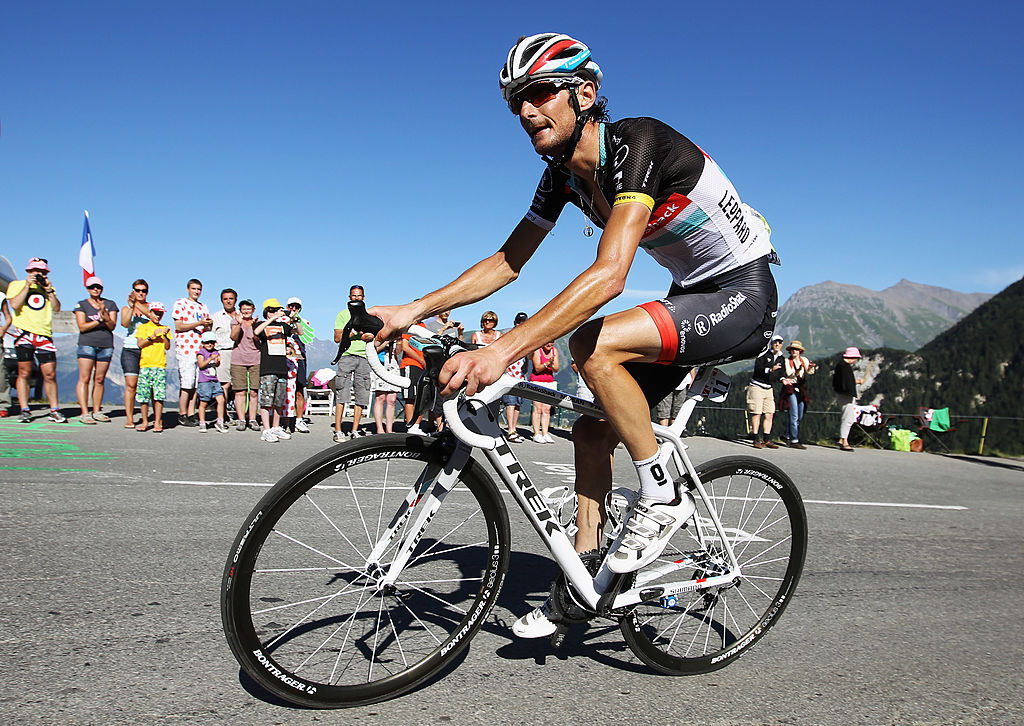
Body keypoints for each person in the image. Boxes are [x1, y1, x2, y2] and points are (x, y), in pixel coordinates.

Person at [368, 33, 778, 638]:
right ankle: (587, 576)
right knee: (589, 431)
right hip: (691, 296)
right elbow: (507, 262)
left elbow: (611, 274)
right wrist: (413, 309)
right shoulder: (561, 175)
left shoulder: (638, 144)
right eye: (517, 101)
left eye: (539, 93)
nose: (526, 111)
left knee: (591, 345)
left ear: (584, 94)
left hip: (741, 293)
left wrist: (502, 350)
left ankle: (661, 494)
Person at [5, 257, 65, 423]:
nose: (39, 274)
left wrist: (49, 290)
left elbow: (57, 308)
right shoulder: (16, 285)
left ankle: (54, 409)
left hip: (44, 334)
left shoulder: (47, 288)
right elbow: (15, 305)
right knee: (24, 372)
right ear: (29, 271)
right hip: (24, 334)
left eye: (43, 271)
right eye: (36, 271)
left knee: (50, 373)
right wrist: (27, 285)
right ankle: (25, 409)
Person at [71, 276, 118, 423]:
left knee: (99, 379)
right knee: (84, 378)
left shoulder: (110, 304)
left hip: (105, 345)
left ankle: (97, 410)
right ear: (87, 289)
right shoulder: (82, 305)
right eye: (92, 287)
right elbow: (82, 326)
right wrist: (99, 320)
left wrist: (105, 315)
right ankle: (84, 412)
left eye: (98, 287)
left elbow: (112, 326)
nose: (95, 289)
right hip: (87, 344)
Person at [333, 286, 373, 442]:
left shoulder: (369, 315)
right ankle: (338, 430)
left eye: (359, 296)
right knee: (341, 392)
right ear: (349, 297)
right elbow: (337, 338)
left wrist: (367, 335)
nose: (356, 298)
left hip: (364, 356)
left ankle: (355, 430)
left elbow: (373, 335)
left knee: (361, 395)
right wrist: (355, 331)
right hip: (347, 355)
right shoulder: (343, 314)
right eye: (354, 296)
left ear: (364, 297)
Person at [172, 279, 212, 427]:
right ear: (188, 289)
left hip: (199, 348)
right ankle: (182, 413)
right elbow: (179, 326)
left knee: (196, 384)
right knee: (186, 383)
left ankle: (191, 413)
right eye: (194, 289)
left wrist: (207, 325)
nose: (196, 292)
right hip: (186, 347)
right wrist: (199, 323)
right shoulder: (180, 303)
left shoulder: (203, 307)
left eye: (198, 289)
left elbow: (206, 328)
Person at [254, 298, 294, 443]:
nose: (274, 312)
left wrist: (294, 318)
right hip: (268, 368)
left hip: (281, 368)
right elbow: (256, 332)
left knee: (278, 400)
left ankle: (276, 427)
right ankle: (266, 429)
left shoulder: (283, 326)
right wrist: (273, 318)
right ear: (266, 312)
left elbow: (299, 332)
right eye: (271, 310)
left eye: (276, 310)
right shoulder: (261, 324)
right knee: (266, 400)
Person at [120, 279, 158, 427]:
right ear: (133, 291)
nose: (141, 293)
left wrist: (137, 304)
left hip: (148, 349)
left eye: (144, 291)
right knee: (131, 384)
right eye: (137, 290)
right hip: (130, 349)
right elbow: (124, 323)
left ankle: (153, 418)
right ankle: (129, 418)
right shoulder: (126, 308)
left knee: (151, 386)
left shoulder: (151, 307)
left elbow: (153, 317)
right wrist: (131, 307)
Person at [134, 301, 172, 432]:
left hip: (159, 365)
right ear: (150, 313)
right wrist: (152, 336)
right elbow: (140, 344)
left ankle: (157, 422)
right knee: (144, 396)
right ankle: (145, 421)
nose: (158, 316)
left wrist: (165, 335)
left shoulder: (165, 327)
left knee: (159, 396)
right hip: (146, 364)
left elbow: (167, 346)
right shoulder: (143, 327)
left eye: (160, 314)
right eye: (155, 313)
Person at [746, 333, 785, 448]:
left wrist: (783, 379)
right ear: (771, 343)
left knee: (769, 413)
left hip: (769, 388)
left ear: (782, 345)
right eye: (775, 342)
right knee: (756, 413)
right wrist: (770, 370)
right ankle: (755, 439)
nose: (777, 344)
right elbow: (758, 369)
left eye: (779, 342)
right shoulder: (763, 354)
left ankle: (766, 440)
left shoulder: (782, 358)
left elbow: (781, 373)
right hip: (757, 386)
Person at [229, 299, 261, 431]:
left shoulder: (258, 323)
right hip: (238, 359)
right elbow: (233, 337)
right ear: (240, 310)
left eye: (248, 308)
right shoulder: (235, 321)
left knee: (254, 391)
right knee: (240, 391)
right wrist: (238, 323)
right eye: (244, 309)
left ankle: (252, 419)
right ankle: (241, 419)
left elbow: (257, 338)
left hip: (255, 359)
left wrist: (253, 326)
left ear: (253, 309)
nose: (246, 311)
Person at [779, 340, 816, 449]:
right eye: (792, 349)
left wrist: (810, 367)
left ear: (800, 351)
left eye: (796, 349)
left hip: (801, 388)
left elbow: (810, 372)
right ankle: (794, 440)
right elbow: (788, 373)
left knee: (799, 415)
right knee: (794, 415)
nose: (794, 351)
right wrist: (796, 371)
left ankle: (786, 435)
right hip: (791, 387)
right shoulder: (787, 361)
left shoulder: (804, 360)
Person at [211, 288, 240, 418]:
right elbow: (211, 337)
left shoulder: (241, 315)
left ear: (235, 300)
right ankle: (223, 413)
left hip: (239, 351)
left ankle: (241, 414)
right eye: (225, 299)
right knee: (224, 384)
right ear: (222, 301)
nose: (228, 301)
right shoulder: (216, 317)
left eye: (231, 298)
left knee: (240, 385)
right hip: (223, 351)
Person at [501, 312, 530, 441]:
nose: (520, 325)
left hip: (520, 376)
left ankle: (514, 429)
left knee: (517, 404)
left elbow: (528, 358)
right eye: (519, 322)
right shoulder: (509, 336)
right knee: (510, 403)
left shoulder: (527, 337)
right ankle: (510, 431)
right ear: (515, 323)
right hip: (509, 375)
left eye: (523, 323)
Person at [285, 297, 312, 433]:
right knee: (284, 390)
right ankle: (284, 419)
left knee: (299, 390)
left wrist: (296, 321)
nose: (294, 309)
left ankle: (299, 419)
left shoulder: (304, 322)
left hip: (299, 357)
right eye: (291, 306)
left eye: (297, 307)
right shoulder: (281, 320)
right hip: (284, 358)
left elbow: (304, 336)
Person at [833, 346, 864, 451]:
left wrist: (856, 382)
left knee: (847, 416)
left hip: (842, 394)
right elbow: (846, 383)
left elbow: (844, 381)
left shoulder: (841, 366)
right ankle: (844, 441)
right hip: (845, 395)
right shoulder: (845, 367)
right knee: (848, 418)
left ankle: (841, 440)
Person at [196, 331, 228, 432]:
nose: (209, 344)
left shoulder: (215, 352)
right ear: (203, 343)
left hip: (214, 380)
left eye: (212, 342)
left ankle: (220, 421)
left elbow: (217, 365)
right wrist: (210, 359)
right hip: (204, 381)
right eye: (207, 342)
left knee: (221, 400)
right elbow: (201, 365)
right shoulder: (201, 353)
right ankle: (202, 423)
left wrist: (217, 362)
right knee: (204, 402)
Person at [529, 342, 560, 443]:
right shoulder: (538, 350)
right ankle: (536, 433)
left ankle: (545, 433)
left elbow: (556, 369)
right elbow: (537, 368)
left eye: (552, 342)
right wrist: (548, 363)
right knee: (538, 409)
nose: (549, 344)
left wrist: (552, 364)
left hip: (549, 382)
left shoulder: (554, 351)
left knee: (547, 409)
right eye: (548, 342)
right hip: (537, 381)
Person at [371, 342, 402, 434]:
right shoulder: (380, 336)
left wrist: (399, 342)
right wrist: (387, 341)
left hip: (393, 365)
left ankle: (389, 429)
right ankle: (379, 428)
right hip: (380, 364)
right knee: (380, 397)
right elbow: (375, 349)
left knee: (392, 399)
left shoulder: (396, 336)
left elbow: (398, 352)